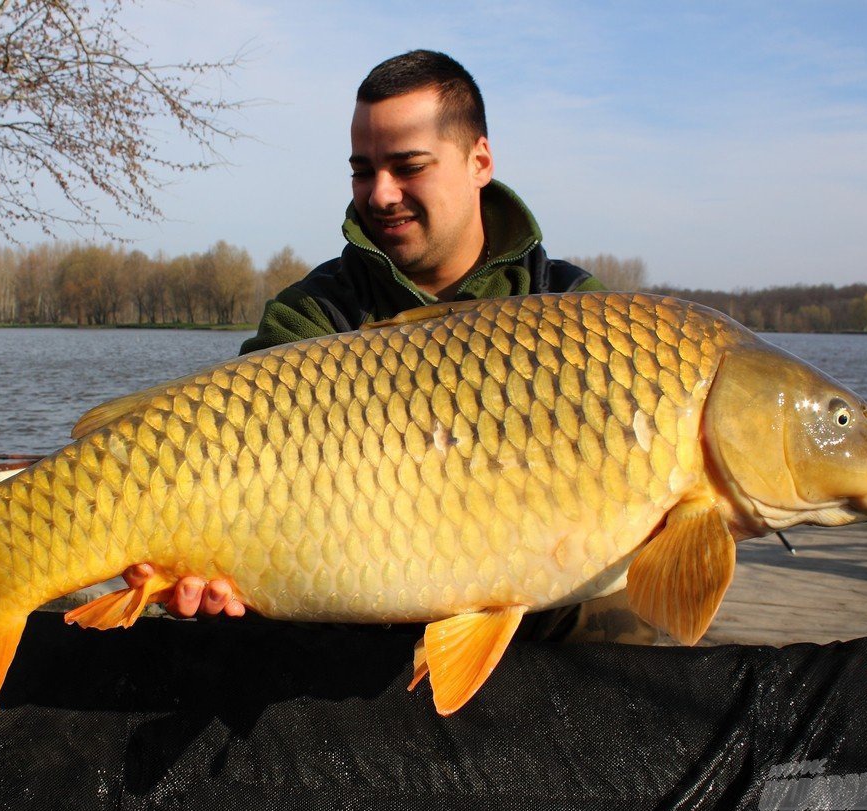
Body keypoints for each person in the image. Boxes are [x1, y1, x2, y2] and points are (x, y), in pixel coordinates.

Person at [141, 49, 603, 620]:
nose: (380, 194)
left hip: (551, 648)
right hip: (351, 651)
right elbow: (227, 473)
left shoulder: (582, 315)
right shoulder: (313, 315)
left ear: (479, 160)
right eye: (363, 170)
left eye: (408, 167)